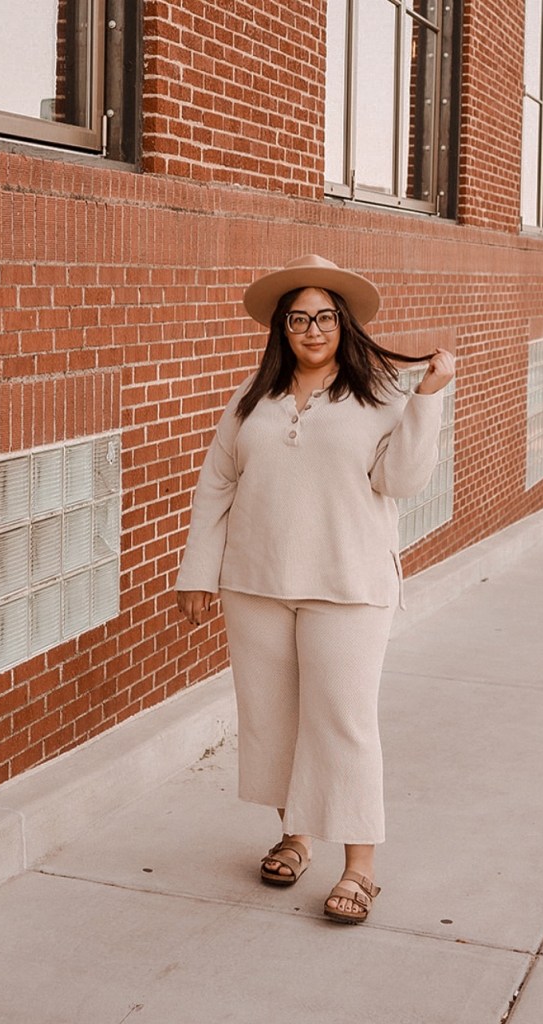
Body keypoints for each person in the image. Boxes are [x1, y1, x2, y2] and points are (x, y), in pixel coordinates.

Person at [175, 254, 455, 924]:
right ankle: (295, 836)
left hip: (349, 584)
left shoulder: (380, 394)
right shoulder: (253, 397)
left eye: (324, 317)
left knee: (342, 721)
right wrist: (197, 572)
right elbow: (217, 484)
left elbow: (402, 481)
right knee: (273, 718)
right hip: (256, 583)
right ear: (282, 328)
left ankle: (360, 869)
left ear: (343, 324)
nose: (312, 329)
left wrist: (429, 397)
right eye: (298, 319)